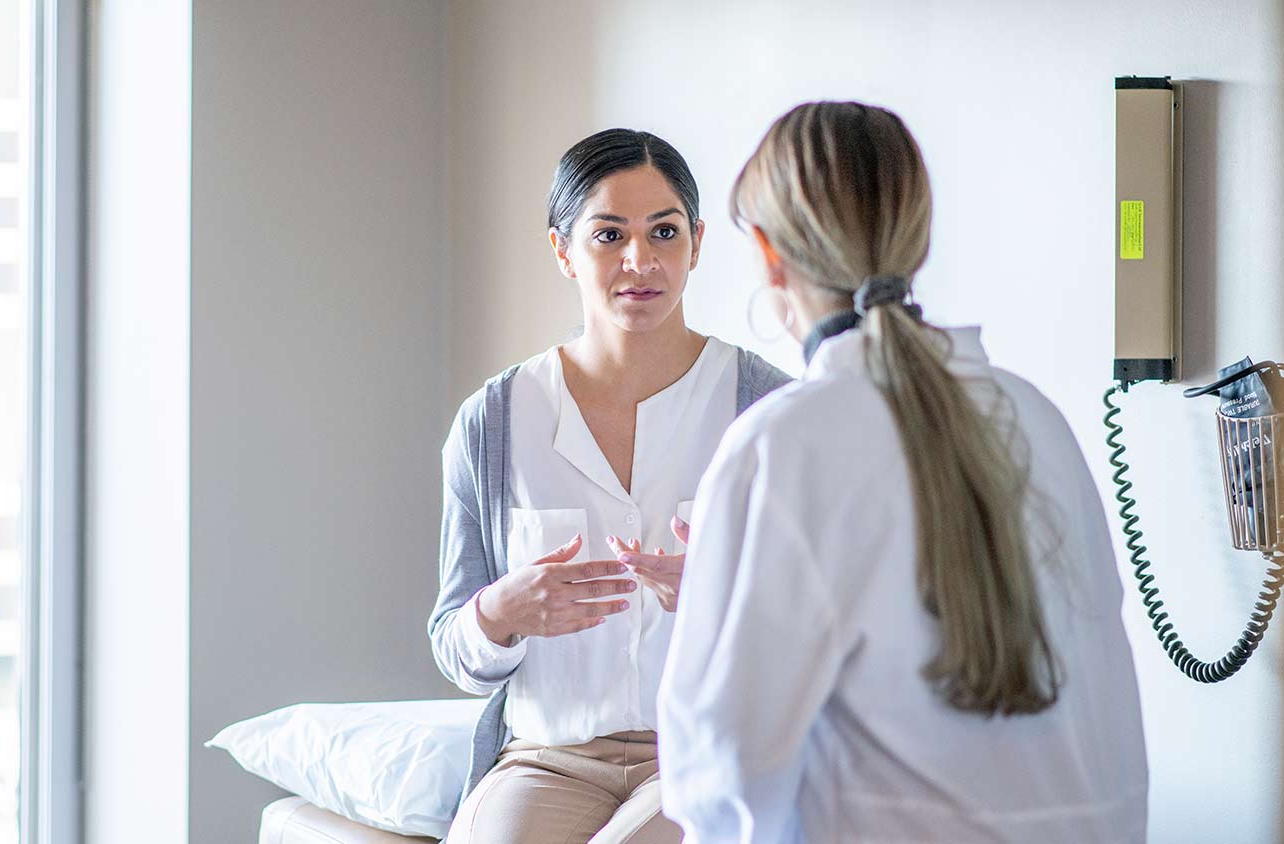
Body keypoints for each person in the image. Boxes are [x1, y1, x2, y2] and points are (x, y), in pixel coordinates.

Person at [657, 102, 1149, 843]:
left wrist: (728, 591)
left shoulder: (784, 444)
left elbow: (723, 779)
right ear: (915, 236)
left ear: (766, 253)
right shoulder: (1034, 416)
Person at [428, 128, 790, 844]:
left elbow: (821, 628)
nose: (640, 260)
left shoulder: (766, 409)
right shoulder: (494, 422)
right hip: (546, 760)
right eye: (608, 234)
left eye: (664, 231)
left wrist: (727, 599)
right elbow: (455, 646)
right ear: (562, 249)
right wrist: (498, 612)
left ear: (697, 242)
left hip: (704, 752)